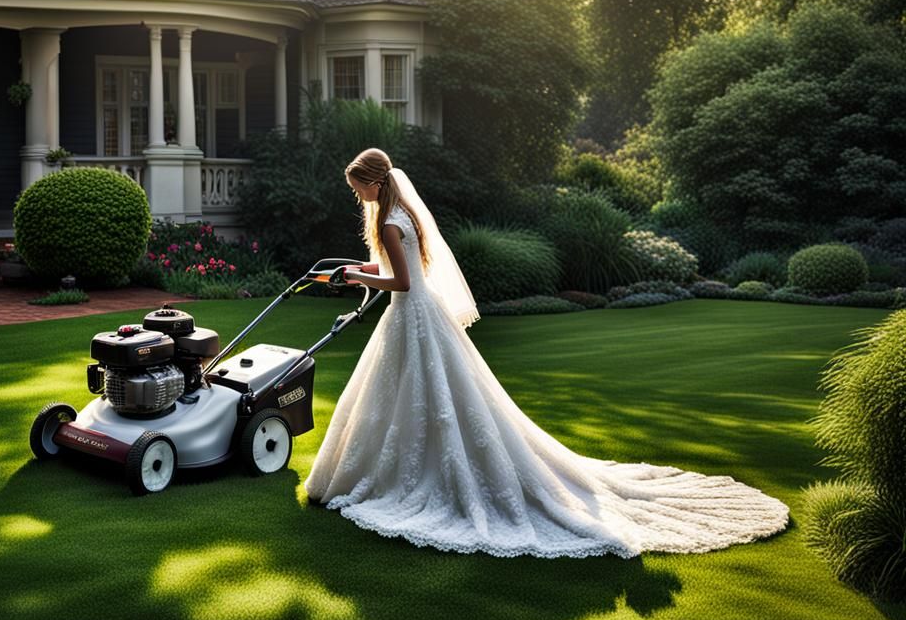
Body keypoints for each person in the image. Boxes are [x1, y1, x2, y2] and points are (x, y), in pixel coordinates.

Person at [304, 148, 790, 559]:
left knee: (422, 396)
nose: (356, 196)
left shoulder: (388, 221)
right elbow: (398, 263)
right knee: (434, 397)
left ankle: (401, 478)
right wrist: (358, 267)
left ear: (372, 182)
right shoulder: (402, 214)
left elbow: (402, 280)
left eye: (357, 188)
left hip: (411, 313)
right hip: (419, 315)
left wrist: (355, 277)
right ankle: (404, 468)